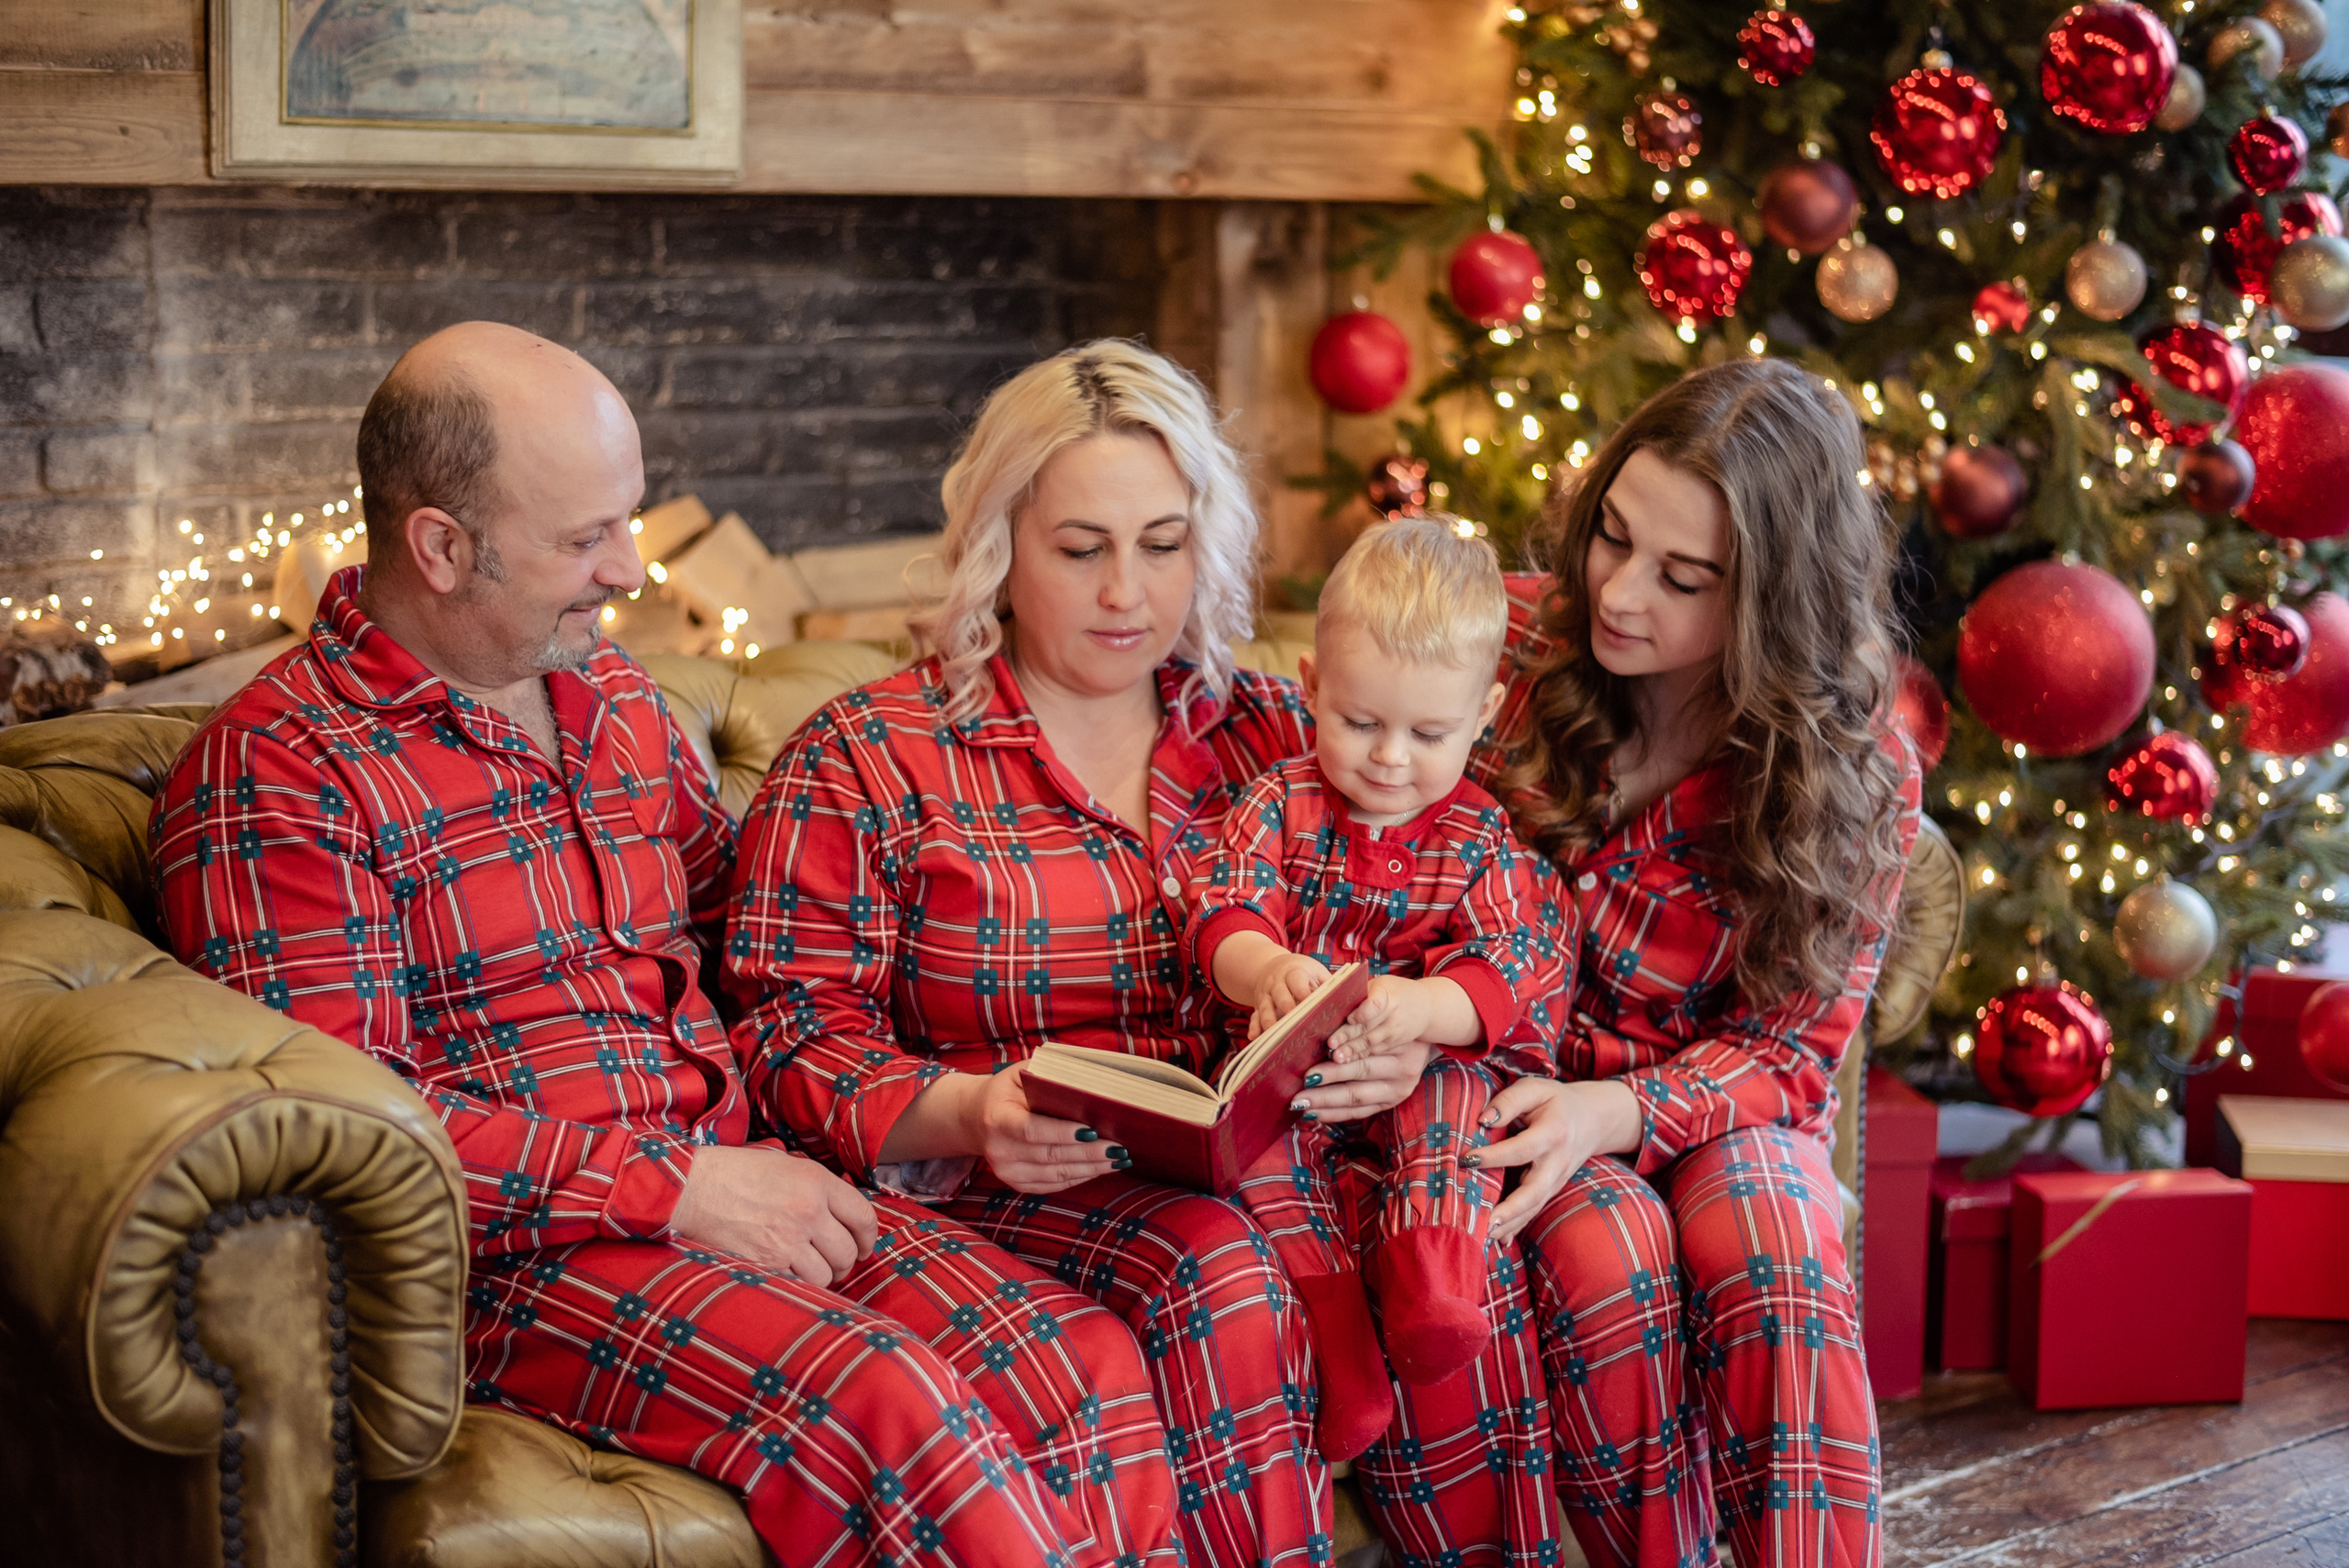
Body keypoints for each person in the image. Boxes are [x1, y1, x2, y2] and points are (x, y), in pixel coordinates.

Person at [149, 322, 1176, 1568]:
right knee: (891, 1402)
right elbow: (352, 1137)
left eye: (627, 520)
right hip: (526, 1260)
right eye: (586, 537)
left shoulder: (618, 703)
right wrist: (681, 1188)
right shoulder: (281, 772)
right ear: (441, 547)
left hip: (749, 1183)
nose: (630, 568)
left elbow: (761, 940)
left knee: (1083, 1361)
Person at [722, 339, 1568, 1568]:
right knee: (1219, 1272)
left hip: (1286, 1165)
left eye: (1163, 545)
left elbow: (1466, 879)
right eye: (1082, 549)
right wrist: (969, 1112)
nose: (1127, 592)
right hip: (1001, 1185)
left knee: (1494, 1242)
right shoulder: (868, 754)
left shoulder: (1282, 732)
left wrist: (1406, 1044)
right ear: (1001, 546)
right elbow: (787, 1037)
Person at [1468, 359, 1921, 1568]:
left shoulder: (1853, 762)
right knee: (1607, 1257)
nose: (1618, 594)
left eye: (1682, 578)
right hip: (1506, 1089)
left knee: (1778, 1255)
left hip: (1718, 1102)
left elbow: (1793, 1054)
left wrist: (1617, 1110)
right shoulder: (1496, 645)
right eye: (1611, 536)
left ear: (1775, 597)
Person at [1183, 517, 1562, 1463]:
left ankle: (1432, 1275)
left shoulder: (1479, 836)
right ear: (1312, 687)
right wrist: (1267, 969)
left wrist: (1427, 1009)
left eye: (1428, 733)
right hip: (1294, 1075)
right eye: (1359, 722)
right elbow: (1222, 912)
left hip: (1417, 1068)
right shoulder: (1279, 802)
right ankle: (1342, 1345)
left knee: (1459, 1101)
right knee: (1254, 1154)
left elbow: (1510, 960)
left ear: (1484, 713)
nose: (1390, 757)